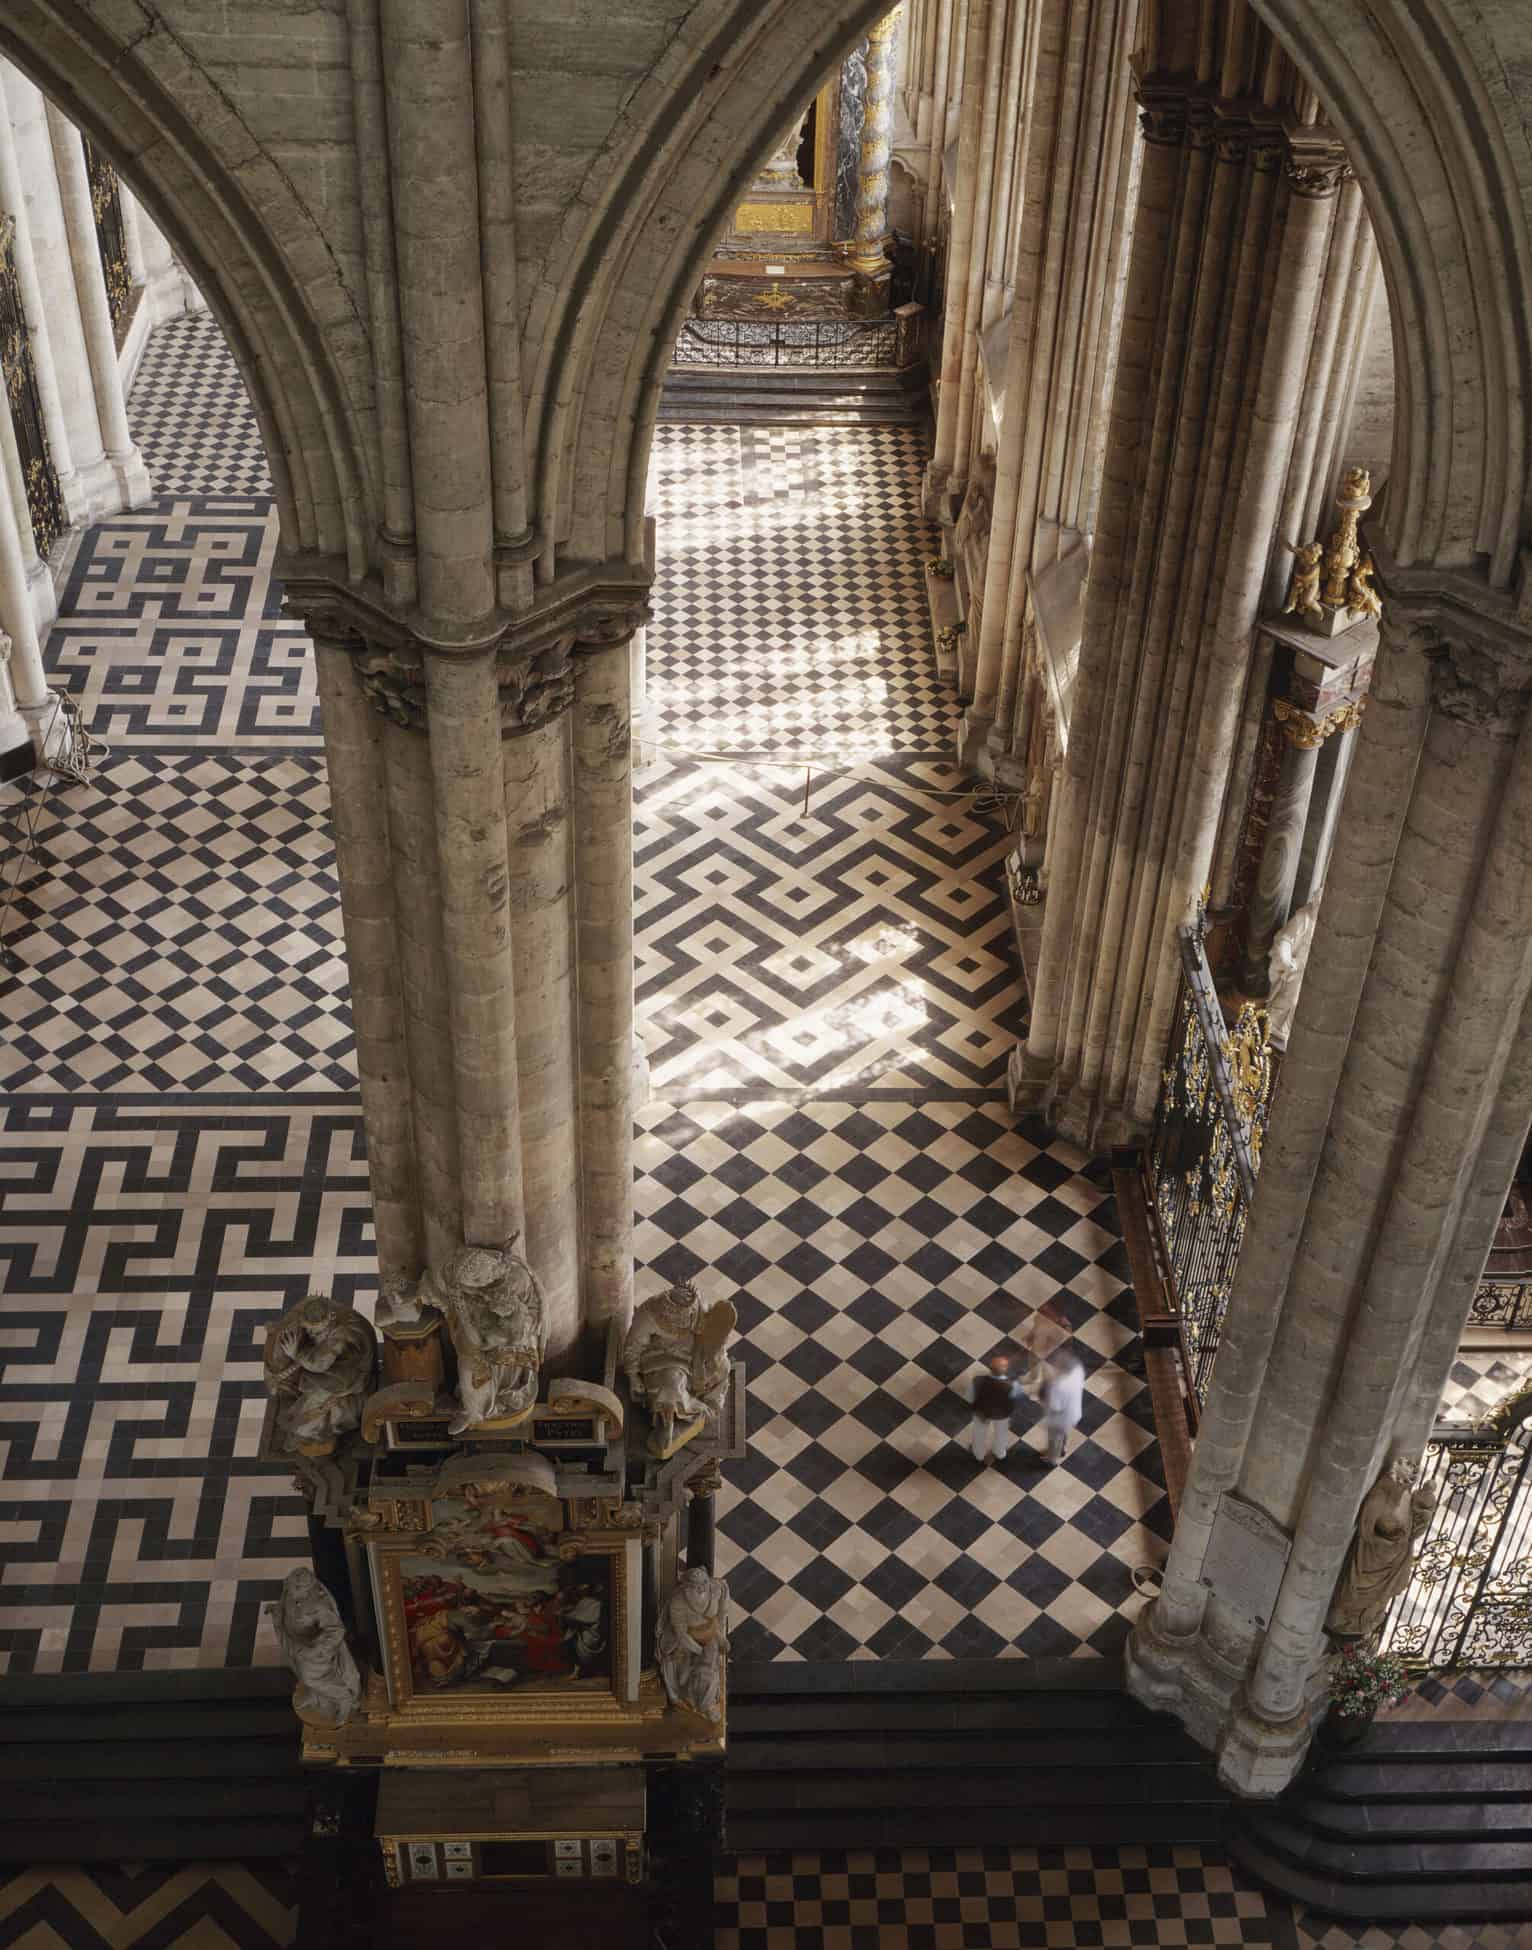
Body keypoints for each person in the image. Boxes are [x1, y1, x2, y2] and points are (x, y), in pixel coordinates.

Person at [959, 1350, 1025, 1462]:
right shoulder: (1013, 1385)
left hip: (982, 1413)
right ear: (1005, 1369)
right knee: (1001, 1433)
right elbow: (1017, 1399)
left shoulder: (977, 1380)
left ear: (990, 1368)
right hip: (1003, 1415)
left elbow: (969, 1397)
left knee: (979, 1433)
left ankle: (978, 1454)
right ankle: (1000, 1453)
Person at [1039, 1345, 1085, 1462]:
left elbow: (1055, 1406)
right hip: (1074, 1413)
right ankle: (1063, 1448)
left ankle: (1051, 1459)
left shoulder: (1057, 1386)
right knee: (1064, 1434)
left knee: (1054, 1439)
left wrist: (1046, 1387)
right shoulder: (1078, 1370)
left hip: (1060, 1419)